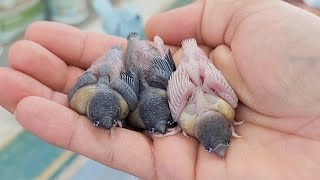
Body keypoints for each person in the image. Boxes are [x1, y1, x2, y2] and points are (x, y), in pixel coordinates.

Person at [0, 0, 319, 179]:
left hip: (157, 69)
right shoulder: (184, 109)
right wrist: (184, 61)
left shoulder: (206, 109)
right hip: (155, 69)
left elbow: (177, 85)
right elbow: (171, 83)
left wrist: (186, 60)